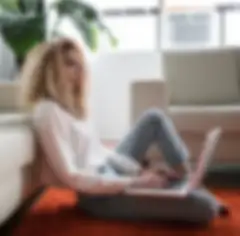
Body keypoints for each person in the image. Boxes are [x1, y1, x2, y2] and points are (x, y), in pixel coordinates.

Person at [20, 38, 228, 225]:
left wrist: (138, 171)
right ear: (50, 70)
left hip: (110, 170)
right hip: (98, 196)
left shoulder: (73, 107)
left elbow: (99, 152)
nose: (80, 70)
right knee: (204, 209)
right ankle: (188, 189)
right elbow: (73, 177)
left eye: (79, 63)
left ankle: (186, 180)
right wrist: (136, 182)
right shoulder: (47, 112)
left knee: (153, 118)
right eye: (69, 64)